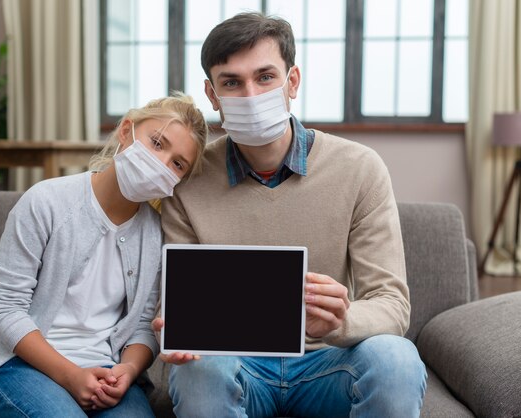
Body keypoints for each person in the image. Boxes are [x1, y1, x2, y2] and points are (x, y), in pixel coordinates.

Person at [157, 12, 427, 418]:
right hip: (236, 365)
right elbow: (178, 300)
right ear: (213, 96)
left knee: (397, 358)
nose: (250, 95)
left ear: (292, 82)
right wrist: (178, 323)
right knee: (200, 369)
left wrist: (341, 321)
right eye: (232, 82)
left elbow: (391, 304)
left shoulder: (359, 168)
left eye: (265, 77)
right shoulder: (188, 179)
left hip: (330, 362)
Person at [0, 92, 208, 418]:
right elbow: (5, 308)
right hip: (22, 365)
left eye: (177, 163)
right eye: (157, 143)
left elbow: (143, 326)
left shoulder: (156, 233)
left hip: (107, 370)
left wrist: (128, 371)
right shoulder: (45, 202)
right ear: (126, 131)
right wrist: (70, 375)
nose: (161, 163)